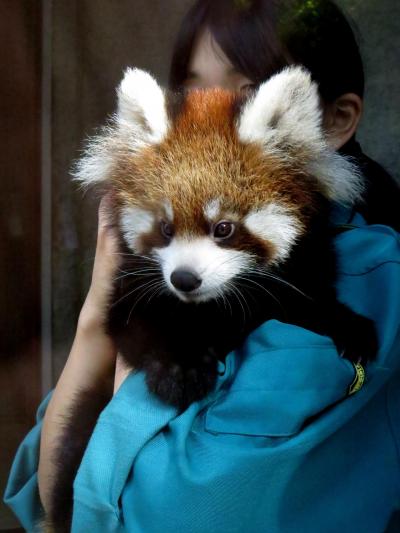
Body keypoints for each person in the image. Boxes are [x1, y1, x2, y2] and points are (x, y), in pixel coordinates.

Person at [4, 1, 400, 532]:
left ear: (333, 120)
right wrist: (96, 317)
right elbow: (41, 491)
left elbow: (176, 510)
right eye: (192, 92)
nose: (208, 115)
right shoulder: (155, 271)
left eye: (245, 95)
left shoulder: (372, 280)